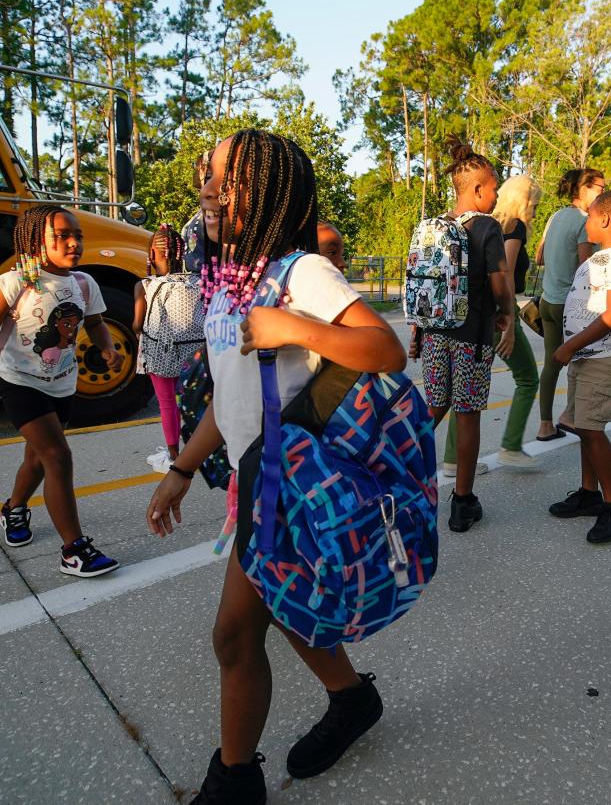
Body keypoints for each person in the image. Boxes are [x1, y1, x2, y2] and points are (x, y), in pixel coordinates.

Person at [145, 130, 406, 803]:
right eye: (207, 172)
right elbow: (232, 402)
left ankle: (234, 780)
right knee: (284, 609)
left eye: (225, 176)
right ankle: (350, 700)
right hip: (255, 482)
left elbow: (385, 347)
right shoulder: (230, 284)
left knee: (234, 635)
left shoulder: (300, 272)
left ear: (267, 189)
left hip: (291, 491)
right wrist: (181, 467)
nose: (207, 185)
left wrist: (297, 329)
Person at [0, 205, 123, 577]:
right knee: (58, 457)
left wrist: (108, 347)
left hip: (62, 383)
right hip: (19, 382)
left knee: (37, 459)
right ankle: (74, 551)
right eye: (61, 236)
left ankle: (13, 509)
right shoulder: (12, 284)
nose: (73, 243)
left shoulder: (83, 283)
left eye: (77, 235)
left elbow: (95, 323)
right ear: (35, 241)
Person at [408, 136, 514, 532]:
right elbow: (500, 283)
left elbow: (423, 282)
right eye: (495, 189)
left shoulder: (433, 227)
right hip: (472, 336)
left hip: (436, 333)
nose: (497, 196)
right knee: (467, 415)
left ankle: (400, 474)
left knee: (434, 408)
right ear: (478, 190)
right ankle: (463, 502)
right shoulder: (487, 227)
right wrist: (506, 315)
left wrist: (418, 330)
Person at [548, 190, 611, 544]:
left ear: (604, 219)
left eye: (589, 216)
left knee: (591, 428)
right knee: (582, 426)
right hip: (587, 355)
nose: (585, 223)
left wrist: (569, 345)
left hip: (605, 357)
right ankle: (589, 493)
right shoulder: (597, 260)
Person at [441, 174, 541, 471]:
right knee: (527, 378)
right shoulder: (515, 226)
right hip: (498, 313)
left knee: (462, 388)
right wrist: (509, 324)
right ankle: (511, 446)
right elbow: (505, 271)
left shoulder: (485, 222)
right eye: (535, 203)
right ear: (525, 201)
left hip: (471, 313)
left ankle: (451, 459)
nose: (535, 209)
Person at [535, 167, 604, 441]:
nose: (603, 192)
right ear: (583, 189)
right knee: (582, 363)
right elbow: (587, 268)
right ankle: (571, 417)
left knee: (552, 364)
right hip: (570, 305)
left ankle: (545, 426)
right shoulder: (585, 222)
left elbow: (539, 257)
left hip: (547, 301)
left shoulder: (555, 216)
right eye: (600, 187)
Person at [132, 224, 201, 466]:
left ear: (152, 254)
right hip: (195, 355)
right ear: (182, 253)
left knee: (166, 403)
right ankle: (201, 450)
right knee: (196, 400)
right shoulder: (199, 281)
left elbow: (137, 324)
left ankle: (173, 455)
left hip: (160, 354)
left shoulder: (145, 285)